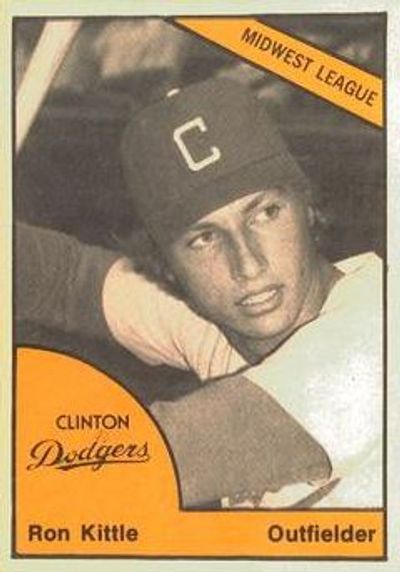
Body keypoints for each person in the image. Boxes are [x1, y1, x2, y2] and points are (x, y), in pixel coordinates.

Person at [16, 78, 382, 509]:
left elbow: (133, 458)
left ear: (307, 207)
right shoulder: (224, 325)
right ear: (166, 268)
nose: (248, 265)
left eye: (265, 213)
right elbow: (65, 276)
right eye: (204, 239)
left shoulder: (375, 329)